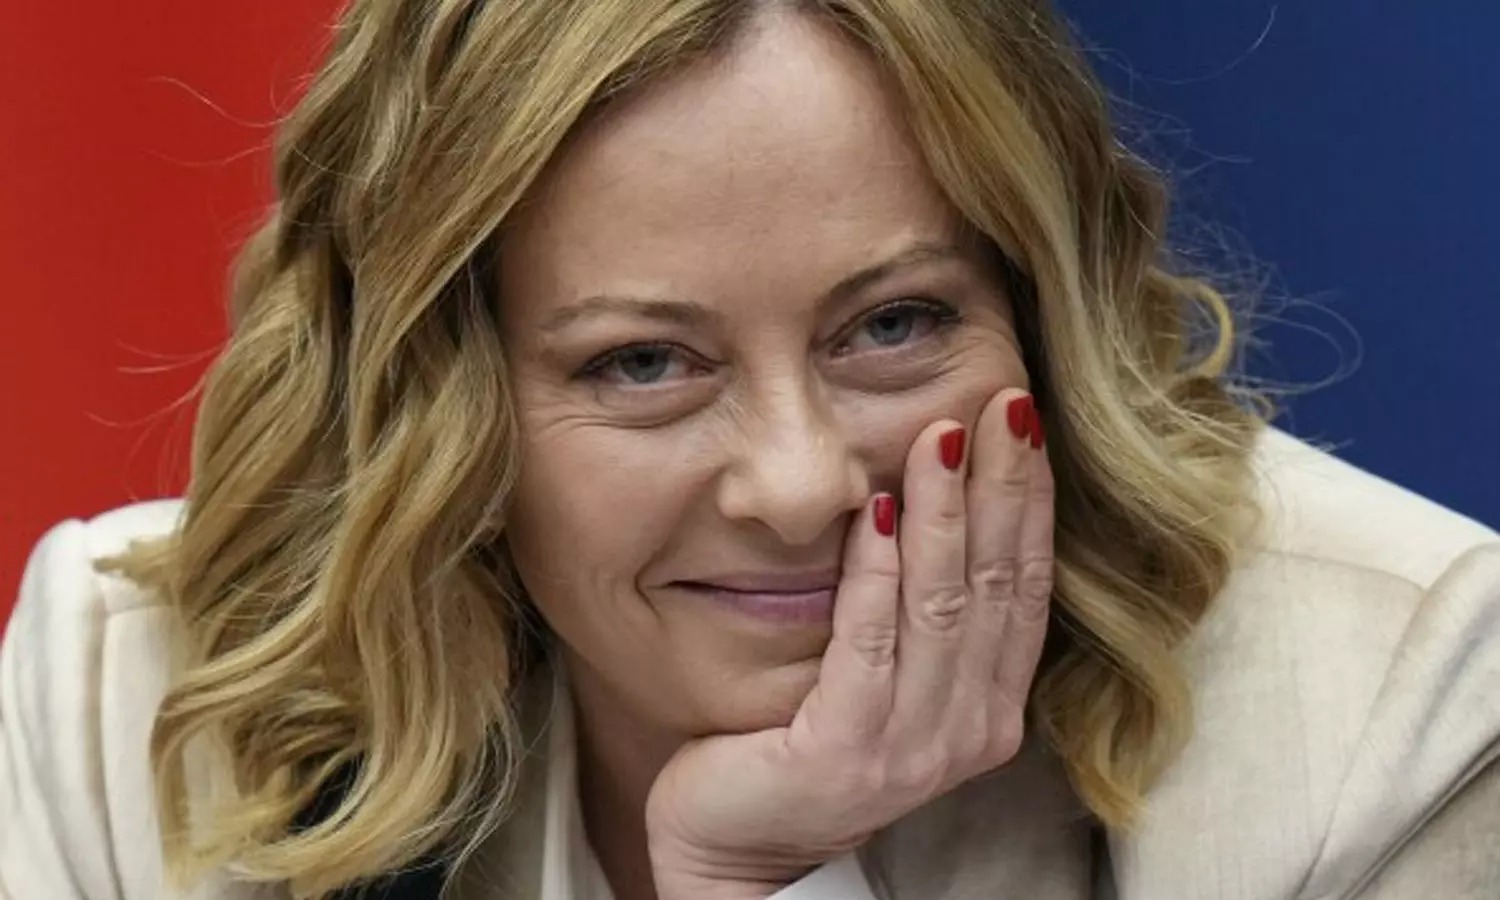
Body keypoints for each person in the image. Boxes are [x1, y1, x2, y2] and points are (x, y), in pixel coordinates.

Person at [3, 0, 1498, 898]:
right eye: (642, 363)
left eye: (894, 326)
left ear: (1046, 315)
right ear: (438, 400)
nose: (796, 487)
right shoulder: (128, 689)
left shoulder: (1399, 702)